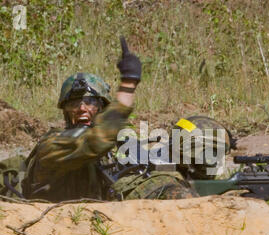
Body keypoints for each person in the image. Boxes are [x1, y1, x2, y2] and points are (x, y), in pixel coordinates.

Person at [20, 37, 198, 202]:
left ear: (101, 108)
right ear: (65, 111)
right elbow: (95, 140)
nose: (82, 108)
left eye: (90, 102)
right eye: (74, 103)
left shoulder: (111, 151)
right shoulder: (52, 146)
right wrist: (128, 84)